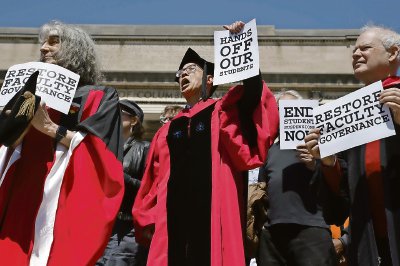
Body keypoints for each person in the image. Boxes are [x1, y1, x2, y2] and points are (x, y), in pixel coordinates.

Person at [132, 21, 279, 266]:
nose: (183, 75)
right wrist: (147, 217)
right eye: (180, 73)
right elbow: (154, 178)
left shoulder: (224, 112)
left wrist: (240, 44)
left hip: (214, 217)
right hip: (173, 223)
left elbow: (253, 97)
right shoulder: (168, 129)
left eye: (191, 69)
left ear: (209, 79)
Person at [0, 21, 124, 265]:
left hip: (63, 193)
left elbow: (103, 153)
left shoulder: (99, 96)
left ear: (75, 49)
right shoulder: (27, 92)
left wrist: (50, 128)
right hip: (21, 188)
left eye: (53, 42)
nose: (44, 48)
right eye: (43, 43)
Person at [304, 25, 400, 266]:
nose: (356, 54)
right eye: (354, 50)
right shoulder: (351, 115)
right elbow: (341, 195)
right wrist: (327, 161)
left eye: (365, 48)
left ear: (393, 53)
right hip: (368, 243)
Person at [256, 90, 345, 266]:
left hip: (311, 232)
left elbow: (336, 185)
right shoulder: (269, 151)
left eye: (289, 107)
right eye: (279, 108)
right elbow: (262, 189)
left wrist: (315, 164)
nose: (283, 112)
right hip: (273, 235)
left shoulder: (321, 149)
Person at [97, 99, 150, 266]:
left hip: (129, 230)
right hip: (103, 226)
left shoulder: (145, 148)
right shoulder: (105, 147)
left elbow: (151, 189)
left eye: (118, 114)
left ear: (134, 120)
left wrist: (121, 177)